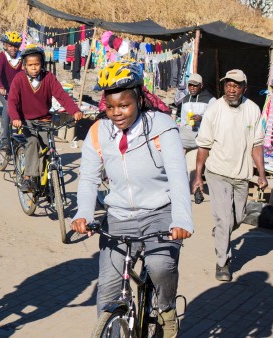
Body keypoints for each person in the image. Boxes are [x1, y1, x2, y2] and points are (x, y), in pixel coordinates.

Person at [71, 61, 193, 338]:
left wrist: (182, 219)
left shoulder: (162, 127)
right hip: (118, 217)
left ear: (138, 98)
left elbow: (177, 177)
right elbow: (89, 179)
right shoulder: (98, 132)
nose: (117, 113)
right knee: (108, 296)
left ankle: (165, 308)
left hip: (159, 213)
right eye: (111, 106)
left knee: (160, 266)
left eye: (124, 105)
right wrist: (84, 214)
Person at [192, 69, 267, 282]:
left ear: (244, 87)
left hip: (242, 175)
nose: (231, 90)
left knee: (238, 217)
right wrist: (198, 177)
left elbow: (257, 145)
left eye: (236, 86)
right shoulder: (214, 109)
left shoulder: (252, 109)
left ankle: (221, 233)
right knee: (224, 220)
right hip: (217, 173)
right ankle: (222, 262)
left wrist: (261, 174)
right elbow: (203, 146)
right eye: (228, 85)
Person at [7, 44, 83, 192]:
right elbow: (12, 101)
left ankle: (48, 180)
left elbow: (62, 96)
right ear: (24, 66)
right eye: (30, 65)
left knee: (49, 148)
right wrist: (15, 118)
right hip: (25, 121)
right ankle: (28, 178)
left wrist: (74, 110)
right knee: (33, 142)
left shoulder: (49, 78)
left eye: (36, 64)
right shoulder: (19, 79)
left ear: (42, 64)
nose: (34, 68)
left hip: (44, 120)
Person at [0, 31, 23, 149]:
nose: (13, 48)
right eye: (10, 45)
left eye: (16, 46)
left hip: (16, 90)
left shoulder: (22, 58)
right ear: (5, 45)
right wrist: (0, 87)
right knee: (9, 106)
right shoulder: (2, 57)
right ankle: (4, 138)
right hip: (3, 89)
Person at [177, 73, 216, 151]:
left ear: (201, 85)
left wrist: (201, 118)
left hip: (202, 132)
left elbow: (215, 120)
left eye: (195, 85)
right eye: (190, 85)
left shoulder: (210, 100)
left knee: (176, 141)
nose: (192, 88)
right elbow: (183, 121)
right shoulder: (185, 100)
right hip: (187, 131)